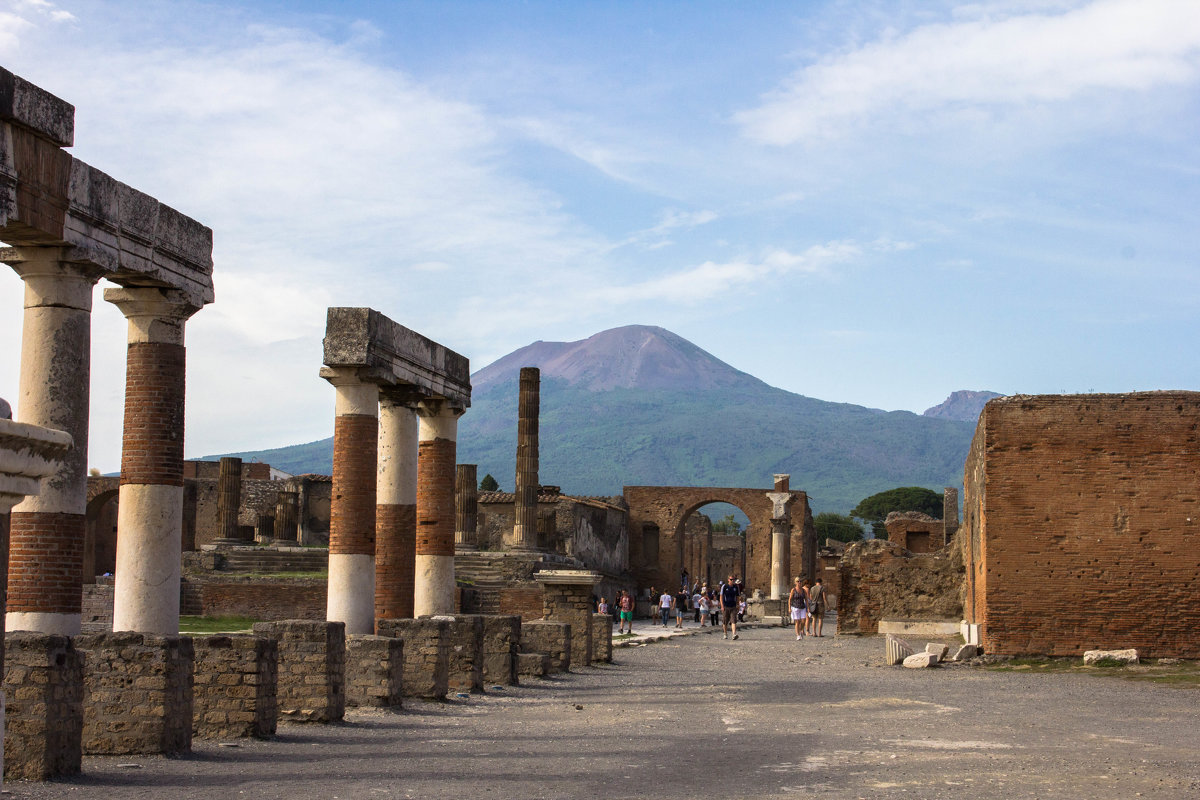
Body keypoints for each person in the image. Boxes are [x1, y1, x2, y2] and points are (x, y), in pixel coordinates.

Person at [720, 574, 742, 640]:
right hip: (726, 606)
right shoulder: (724, 586)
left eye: (733, 579)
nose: (732, 581)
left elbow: (737, 597)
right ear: (728, 580)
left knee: (733, 620)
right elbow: (721, 597)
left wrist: (738, 604)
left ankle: (734, 634)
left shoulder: (736, 587)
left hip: (733, 606)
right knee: (725, 621)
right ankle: (725, 633)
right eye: (731, 579)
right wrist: (722, 606)